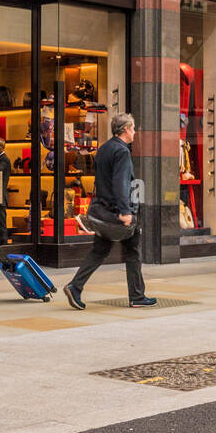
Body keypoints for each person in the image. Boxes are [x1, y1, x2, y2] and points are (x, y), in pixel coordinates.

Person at [62, 113, 156, 309]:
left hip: (103, 210)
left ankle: (75, 286)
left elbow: (101, 180)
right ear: (126, 130)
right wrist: (125, 211)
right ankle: (137, 297)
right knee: (133, 251)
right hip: (117, 212)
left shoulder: (104, 149)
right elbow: (121, 183)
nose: (135, 132)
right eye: (133, 128)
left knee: (99, 251)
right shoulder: (122, 152)